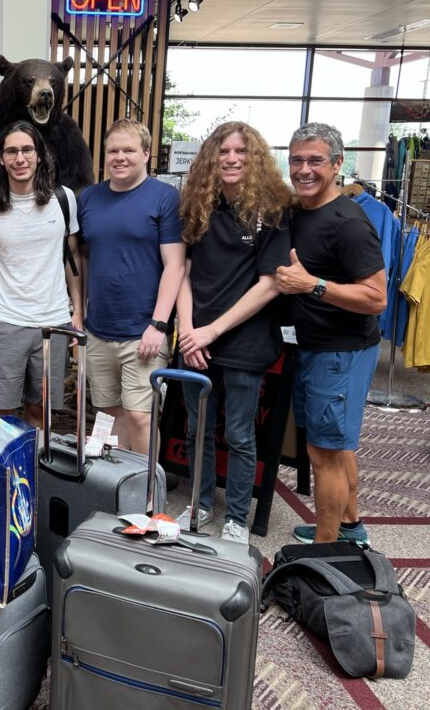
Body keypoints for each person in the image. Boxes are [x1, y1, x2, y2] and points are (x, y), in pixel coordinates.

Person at [174, 121, 295, 543]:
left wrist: (211, 331)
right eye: (223, 151)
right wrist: (187, 330)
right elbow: (183, 274)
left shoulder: (273, 211)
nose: (231, 159)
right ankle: (202, 501)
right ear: (211, 158)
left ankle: (237, 518)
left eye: (240, 152)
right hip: (196, 339)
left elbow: (270, 284)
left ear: (254, 157)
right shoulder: (197, 206)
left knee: (241, 434)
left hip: (244, 339)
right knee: (196, 429)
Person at [274, 122, 387, 546]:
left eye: (315, 161)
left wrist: (314, 285)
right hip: (314, 347)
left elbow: (377, 298)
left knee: (323, 454)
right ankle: (351, 528)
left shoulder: (349, 224)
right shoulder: (301, 211)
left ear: (337, 164)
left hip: (342, 351)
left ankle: (326, 552)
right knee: (336, 447)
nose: (304, 170)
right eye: (297, 161)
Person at [78, 118, 184, 454]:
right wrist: (79, 314)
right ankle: (124, 491)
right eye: (113, 150)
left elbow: (175, 265)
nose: (119, 157)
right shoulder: (90, 198)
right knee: (109, 413)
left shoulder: (165, 198)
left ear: (147, 154)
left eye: (128, 150)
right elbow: (83, 260)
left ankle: (149, 497)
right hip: (98, 330)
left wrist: (159, 324)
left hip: (143, 331)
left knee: (140, 416)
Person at [0, 121, 82, 427]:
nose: (20, 159)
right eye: (11, 151)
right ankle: (2, 475)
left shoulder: (64, 199)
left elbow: (72, 257)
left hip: (53, 320)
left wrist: (78, 312)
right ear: (1, 158)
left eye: (27, 150)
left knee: (40, 410)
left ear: (39, 155)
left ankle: (32, 474)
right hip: (5, 320)